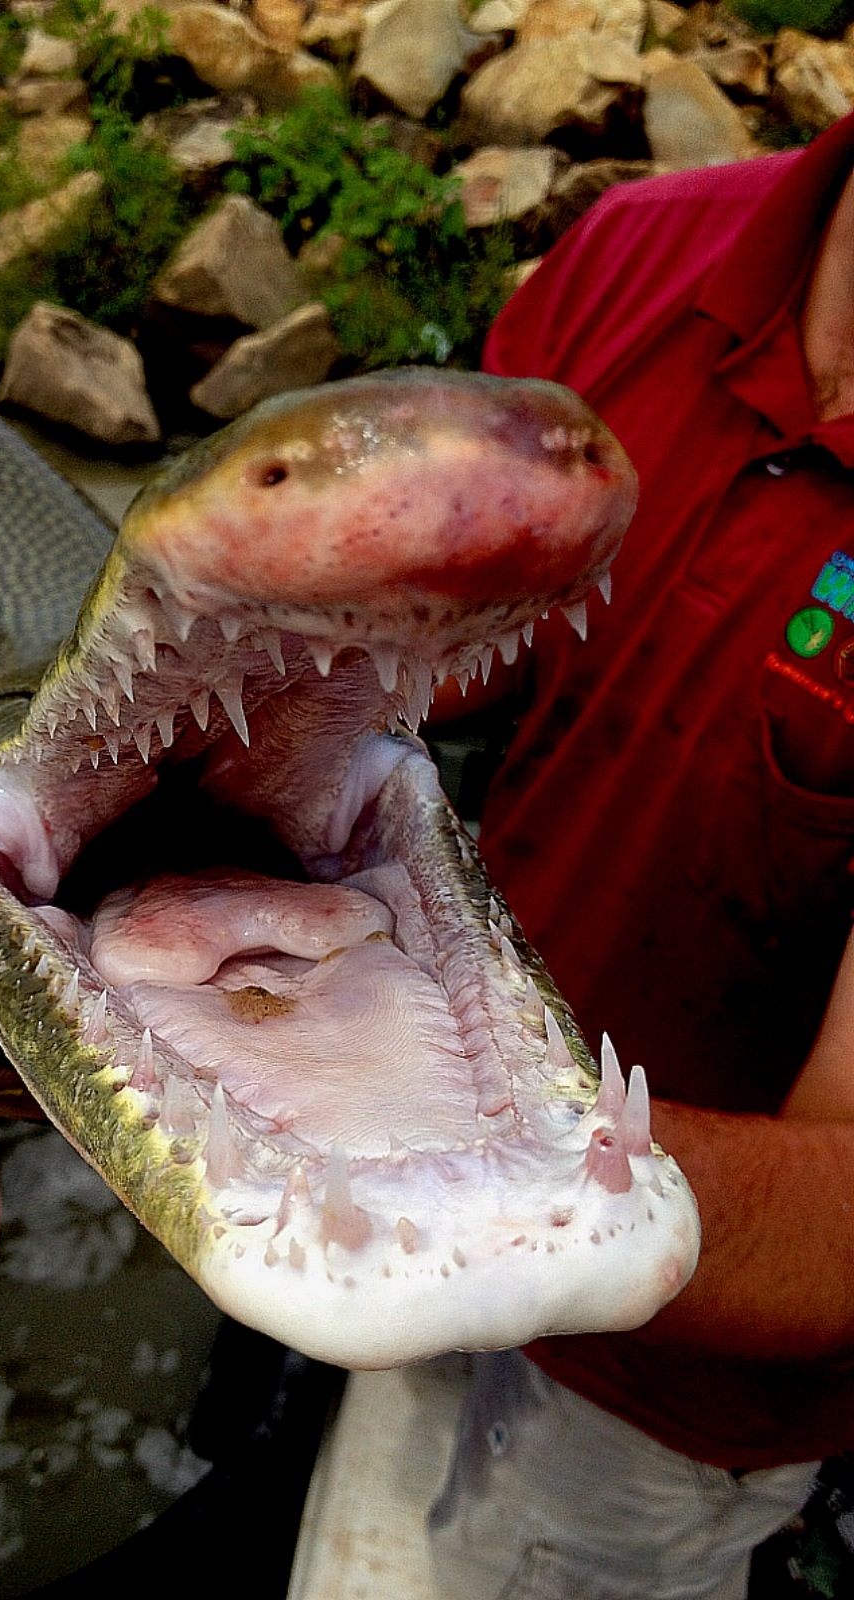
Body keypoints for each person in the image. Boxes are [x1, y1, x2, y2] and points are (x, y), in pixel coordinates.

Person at [426, 110, 854, 1599]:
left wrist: (417, 1168)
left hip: (662, 1406)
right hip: (433, 1176)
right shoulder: (636, 253)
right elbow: (444, 654)